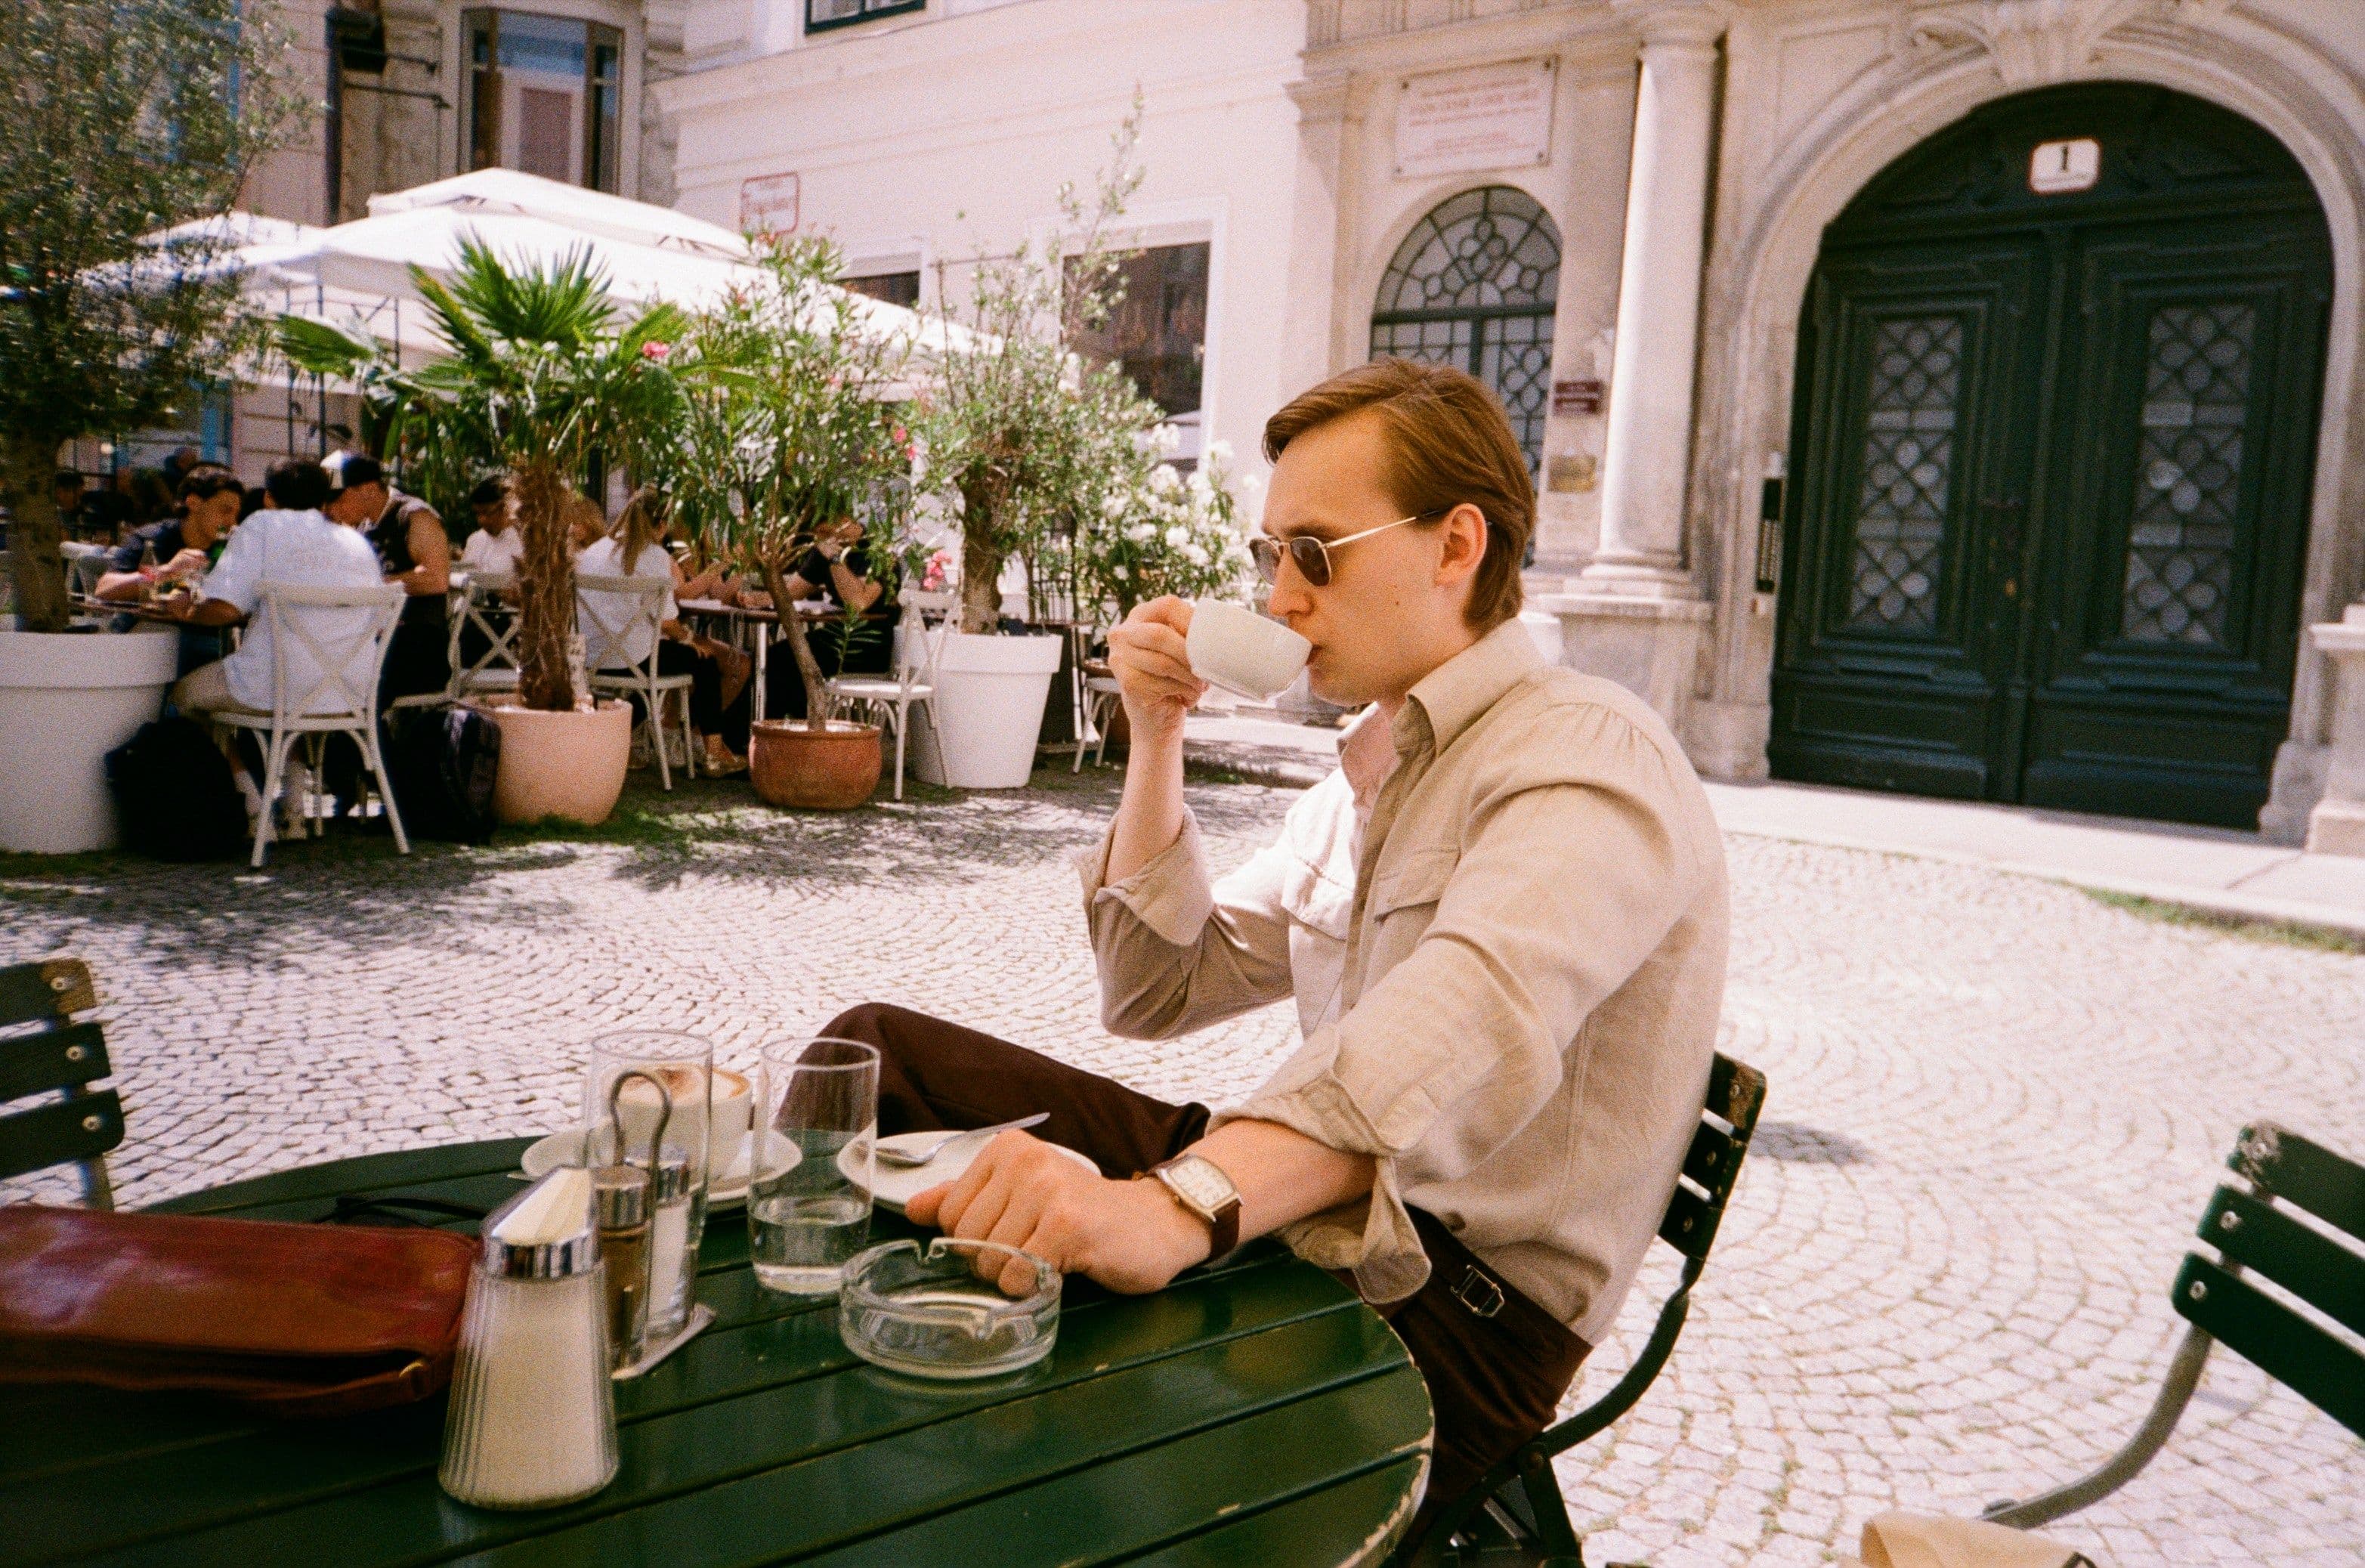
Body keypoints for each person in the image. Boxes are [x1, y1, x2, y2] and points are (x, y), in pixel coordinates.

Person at [812, 360, 1730, 1542]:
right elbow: (1156, 986)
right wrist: (1154, 736)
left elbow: (1473, 1009)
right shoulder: (1371, 766)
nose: (1279, 594)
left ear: (1456, 545)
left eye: (1315, 551)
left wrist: (1173, 1202)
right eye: (1267, 555)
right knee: (875, 1053)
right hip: (1302, 1216)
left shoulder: (1587, 753)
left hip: (1447, 1305)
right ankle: (802, 1360)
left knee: (1071, 1449)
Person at [160, 458, 386, 726]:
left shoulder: (263, 525)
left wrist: (185, 608)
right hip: (350, 695)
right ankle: (290, 766)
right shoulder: (355, 541)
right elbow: (379, 623)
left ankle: (237, 769)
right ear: (324, 500)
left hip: (273, 690)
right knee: (281, 707)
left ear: (268, 498)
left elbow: (223, 609)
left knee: (183, 693)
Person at [577, 487, 752, 775]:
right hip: (634, 659)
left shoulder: (593, 552)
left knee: (670, 663)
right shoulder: (654, 556)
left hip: (593, 656)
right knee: (705, 661)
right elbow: (668, 623)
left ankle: (636, 738)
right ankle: (715, 754)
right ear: (660, 525)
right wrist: (688, 639)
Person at [742, 517, 896, 728]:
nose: (820, 537)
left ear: (843, 519)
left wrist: (834, 559)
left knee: (789, 660)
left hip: (866, 644)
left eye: (824, 531)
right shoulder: (823, 548)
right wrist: (754, 600)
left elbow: (858, 602)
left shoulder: (879, 551)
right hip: (832, 636)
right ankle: (761, 735)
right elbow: (790, 592)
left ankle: (795, 735)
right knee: (773, 657)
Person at [323, 451, 451, 705]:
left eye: (339, 499)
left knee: (353, 687)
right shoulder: (362, 525)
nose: (332, 510)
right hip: (376, 639)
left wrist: (373, 586)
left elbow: (436, 578)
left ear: (369, 489)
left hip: (417, 645)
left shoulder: (414, 515)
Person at [94, 465, 244, 607]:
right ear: (193, 503)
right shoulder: (153, 538)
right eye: (225, 511)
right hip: (149, 630)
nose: (232, 522)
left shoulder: (229, 548)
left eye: (236, 515)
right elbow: (105, 589)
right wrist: (167, 572)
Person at [458, 474, 524, 576]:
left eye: (487, 513)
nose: (481, 520)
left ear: (505, 507)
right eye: (478, 514)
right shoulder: (475, 540)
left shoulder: (523, 539)